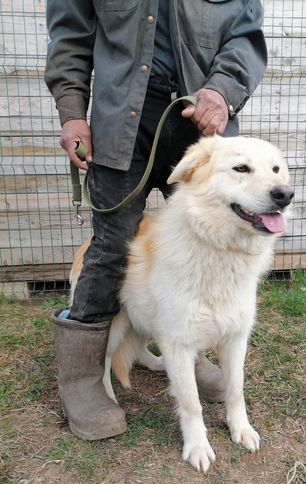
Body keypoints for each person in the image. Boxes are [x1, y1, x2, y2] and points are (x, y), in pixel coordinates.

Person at [45, 0, 267, 441]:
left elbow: (245, 34)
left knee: (207, 243)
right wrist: (72, 111)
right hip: (120, 117)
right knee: (113, 246)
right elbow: (70, 33)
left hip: (201, 120)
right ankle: (83, 378)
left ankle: (190, 348)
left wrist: (223, 90)